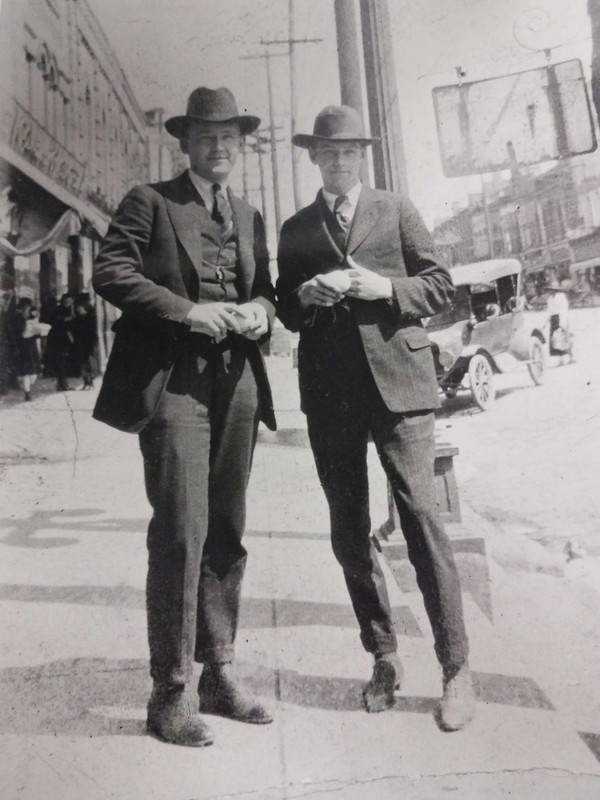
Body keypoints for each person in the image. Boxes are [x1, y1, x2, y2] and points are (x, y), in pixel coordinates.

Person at [276, 105, 475, 732]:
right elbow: (285, 305)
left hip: (399, 387)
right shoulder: (297, 226)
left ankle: (457, 670)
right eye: (328, 153)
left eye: (349, 152)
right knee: (348, 530)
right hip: (331, 395)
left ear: (363, 155)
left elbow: (440, 285)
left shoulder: (396, 210)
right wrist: (304, 297)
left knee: (421, 519)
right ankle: (384, 657)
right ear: (313, 158)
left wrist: (384, 289)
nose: (339, 162)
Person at [92, 86, 276, 747]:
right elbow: (109, 271)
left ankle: (218, 673)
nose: (218, 145)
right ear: (186, 143)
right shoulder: (151, 201)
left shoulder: (251, 214)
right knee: (181, 531)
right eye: (206, 135)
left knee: (226, 529)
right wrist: (187, 310)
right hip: (175, 384)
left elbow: (264, 288)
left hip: (238, 385)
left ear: (240, 143)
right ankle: (170, 692)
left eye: (229, 135)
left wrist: (261, 311)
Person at [14, 298, 50, 400]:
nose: (26, 309)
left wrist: (39, 332)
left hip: (31, 346)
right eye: (24, 307)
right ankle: (27, 392)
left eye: (28, 307)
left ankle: (27, 386)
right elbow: (15, 333)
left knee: (34, 372)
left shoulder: (33, 317)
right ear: (20, 308)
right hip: (21, 346)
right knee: (26, 371)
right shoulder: (17, 318)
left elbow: (37, 332)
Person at [44, 293, 75, 391]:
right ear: (63, 300)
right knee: (60, 361)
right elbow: (52, 321)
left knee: (63, 362)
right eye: (66, 301)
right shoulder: (57, 310)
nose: (68, 303)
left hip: (66, 339)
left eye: (70, 302)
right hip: (57, 339)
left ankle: (62, 383)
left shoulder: (71, 310)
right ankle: (62, 384)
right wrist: (64, 319)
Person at [72, 293, 98, 390]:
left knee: (89, 363)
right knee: (81, 363)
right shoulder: (77, 319)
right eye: (78, 308)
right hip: (80, 343)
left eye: (80, 308)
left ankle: (90, 382)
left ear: (85, 307)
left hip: (89, 343)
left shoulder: (91, 318)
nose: (78, 310)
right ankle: (85, 382)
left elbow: (92, 333)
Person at [544, 281, 573, 364]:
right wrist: (545, 322)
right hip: (553, 320)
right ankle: (561, 358)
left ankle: (571, 356)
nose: (550, 291)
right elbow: (549, 311)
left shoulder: (561, 297)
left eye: (552, 290)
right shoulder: (550, 299)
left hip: (560, 318)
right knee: (555, 340)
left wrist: (562, 323)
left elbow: (563, 310)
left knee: (564, 337)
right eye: (549, 290)